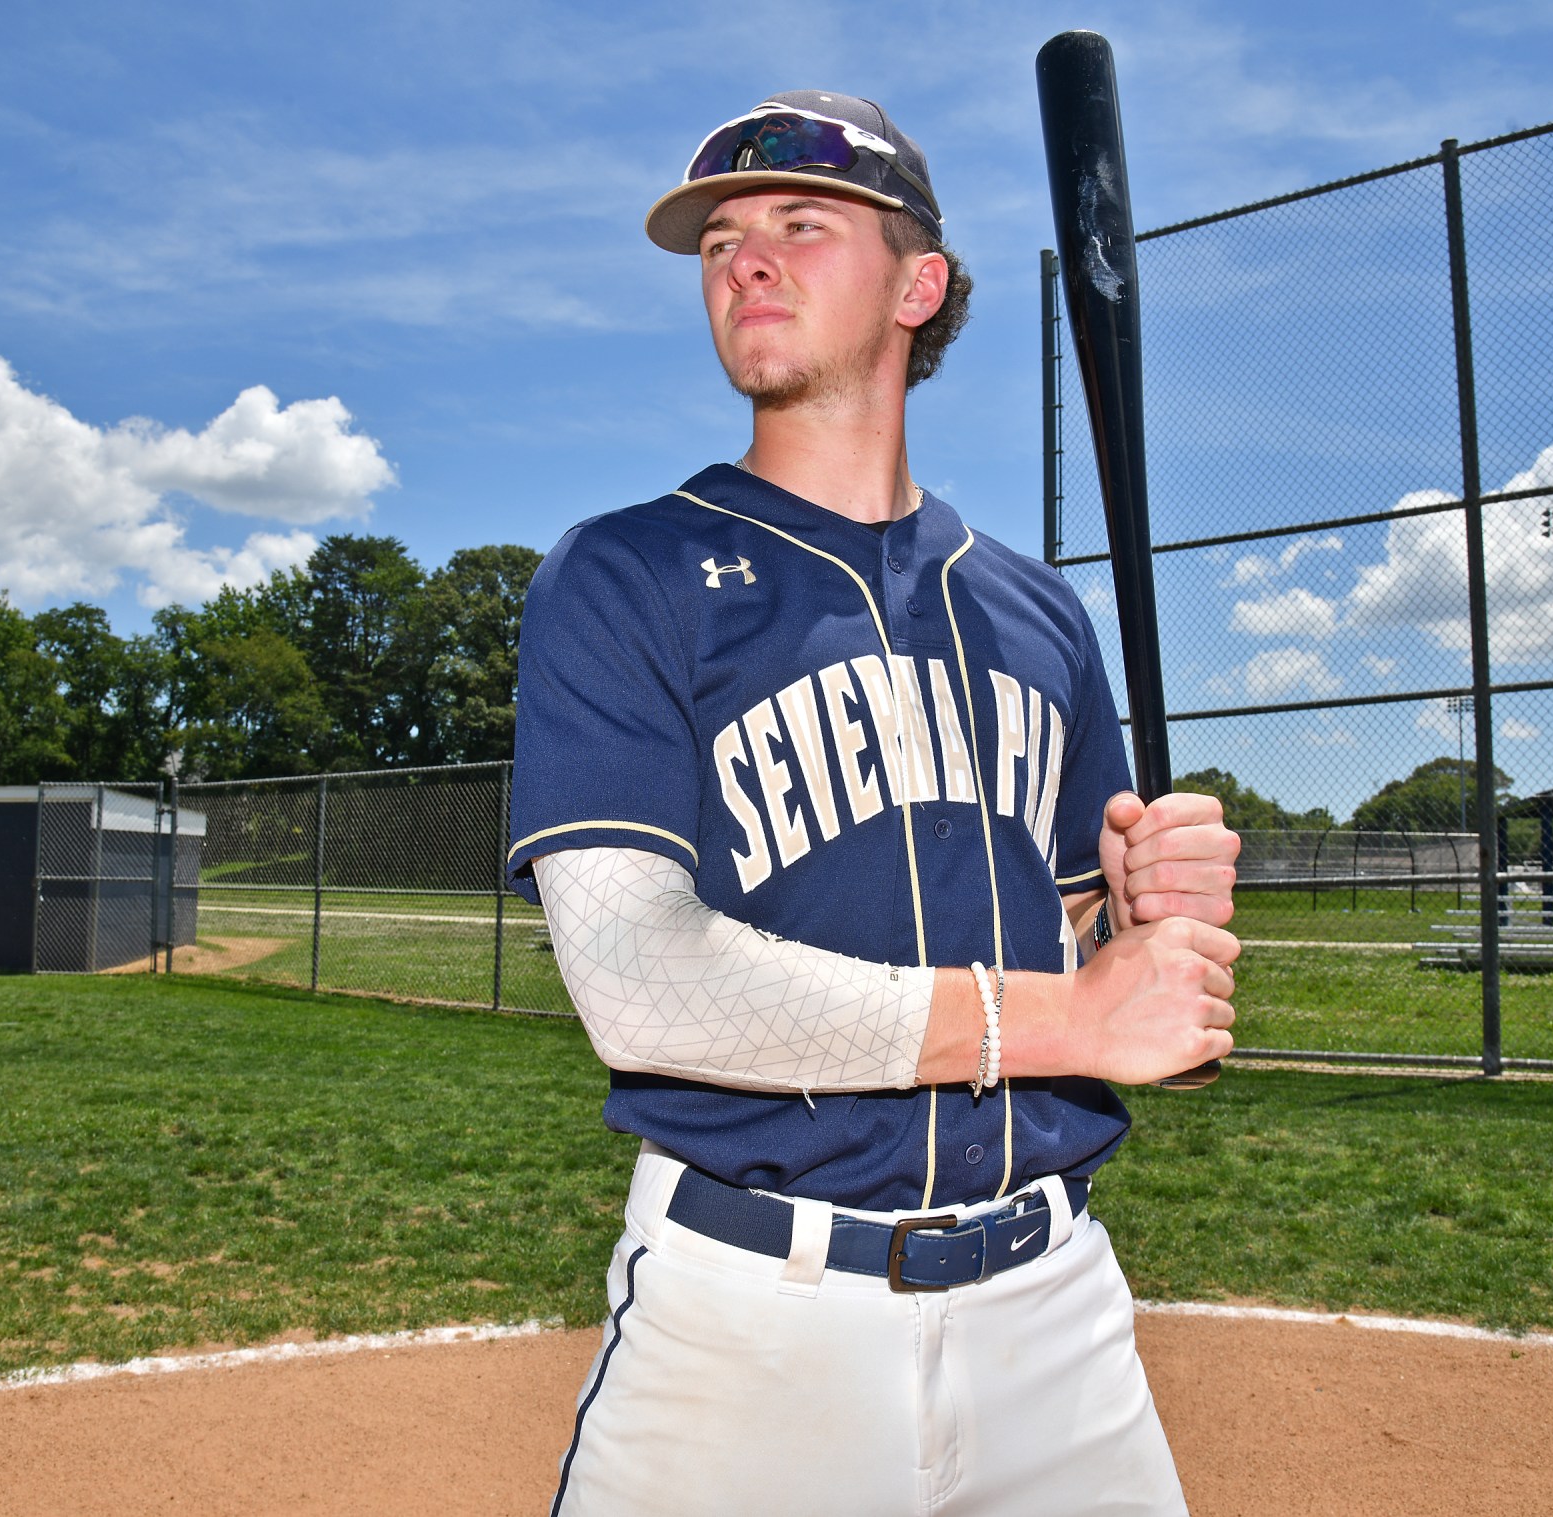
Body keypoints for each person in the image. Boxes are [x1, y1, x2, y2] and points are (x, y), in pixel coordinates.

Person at [505, 91, 1242, 1516]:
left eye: (801, 223)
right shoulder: (625, 577)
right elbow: (642, 984)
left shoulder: (1039, 615)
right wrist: (1068, 1012)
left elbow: (1123, 1008)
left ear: (921, 286)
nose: (746, 261)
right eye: (721, 238)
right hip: (749, 1326)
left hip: (1055, 1313)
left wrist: (1155, 943)